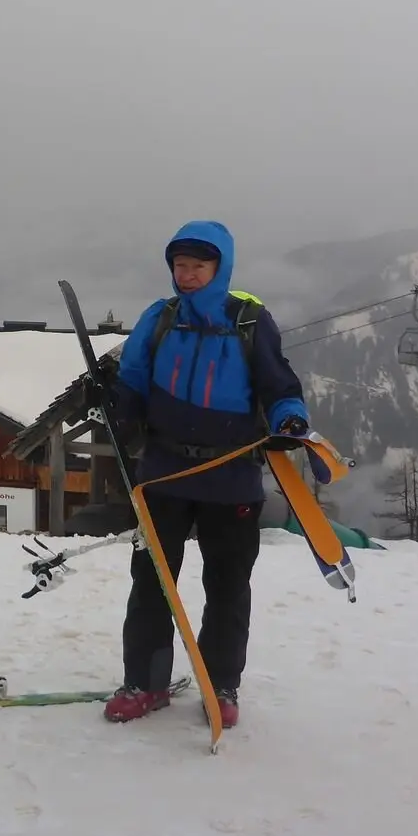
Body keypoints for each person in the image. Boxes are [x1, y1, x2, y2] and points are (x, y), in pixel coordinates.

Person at [102, 219, 311, 728]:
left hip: (231, 473)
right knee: (152, 582)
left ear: (220, 267)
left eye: (199, 265)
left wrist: (290, 420)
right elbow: (131, 378)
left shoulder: (249, 321)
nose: (188, 274)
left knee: (227, 586)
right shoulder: (160, 318)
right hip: (164, 472)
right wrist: (119, 406)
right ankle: (145, 683)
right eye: (180, 264)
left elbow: (279, 384)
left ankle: (221, 685)